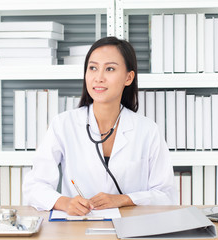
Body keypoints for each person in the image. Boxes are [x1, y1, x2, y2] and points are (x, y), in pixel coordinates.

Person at [22, 36, 177, 216]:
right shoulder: (63, 125)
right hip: (78, 227)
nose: (99, 77)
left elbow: (167, 195)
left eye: (110, 69)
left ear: (128, 77)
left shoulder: (148, 131)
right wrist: (64, 202)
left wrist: (124, 199)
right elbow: (34, 185)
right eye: (93, 68)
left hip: (131, 227)